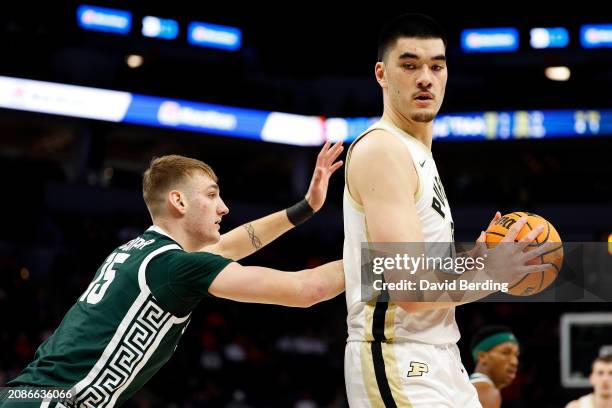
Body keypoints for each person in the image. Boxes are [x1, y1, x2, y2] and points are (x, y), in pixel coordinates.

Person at [2, 142, 345, 408]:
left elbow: (230, 245)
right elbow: (307, 289)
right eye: (212, 195)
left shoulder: (144, 251)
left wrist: (305, 208)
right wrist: (395, 262)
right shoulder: (173, 267)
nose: (223, 207)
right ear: (179, 202)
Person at [342, 13, 552, 407]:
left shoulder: (417, 153)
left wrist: (474, 260)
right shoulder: (383, 149)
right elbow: (407, 288)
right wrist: (492, 273)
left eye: (436, 66)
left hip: (440, 356)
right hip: (397, 355)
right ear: (381, 74)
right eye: (409, 65)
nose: (425, 77)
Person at [469, 326, 520, 408]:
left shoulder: (470, 386)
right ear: (482, 356)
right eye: (505, 353)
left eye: (516, 355)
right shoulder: (488, 391)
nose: (515, 362)